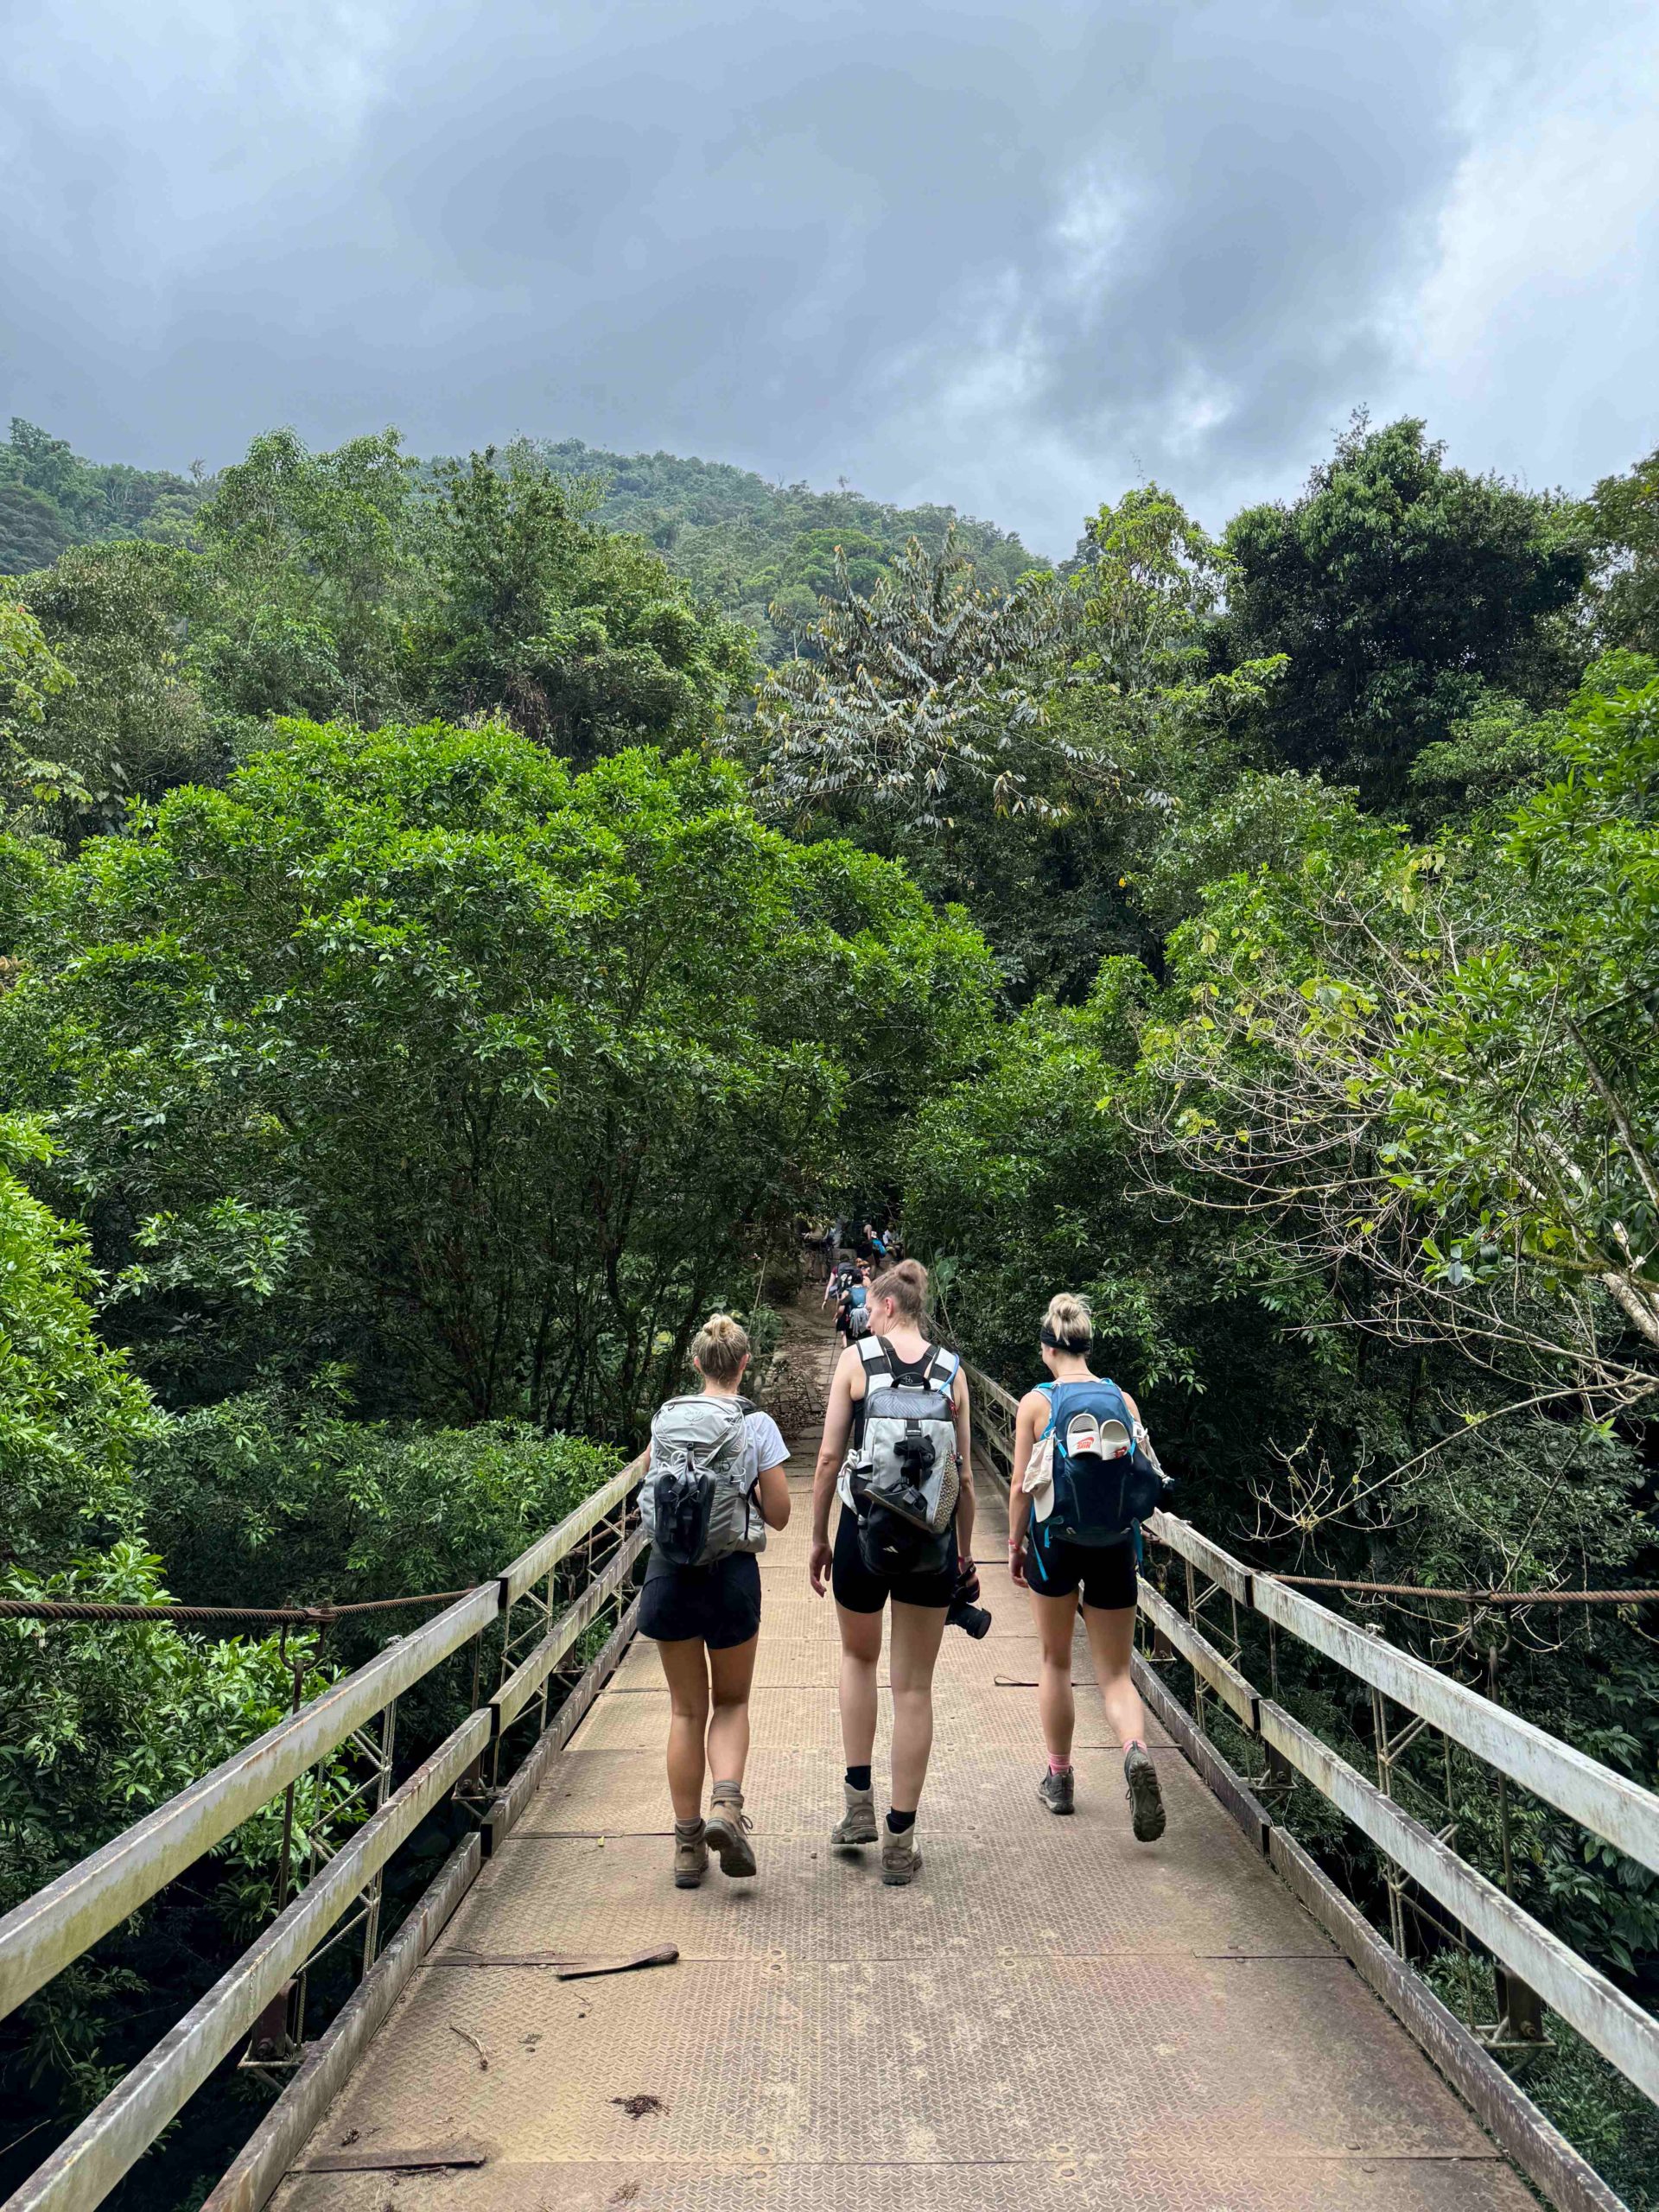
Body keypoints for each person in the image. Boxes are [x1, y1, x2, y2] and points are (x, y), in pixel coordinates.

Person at [809, 1259, 975, 1885]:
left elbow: (828, 1459)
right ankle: (901, 1842)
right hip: (930, 1542)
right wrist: (963, 1554)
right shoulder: (952, 1372)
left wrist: (820, 1537)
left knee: (858, 1661)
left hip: (863, 1533)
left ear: (884, 1307)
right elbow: (963, 1474)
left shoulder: (857, 1361)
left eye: (870, 1309)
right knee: (914, 1687)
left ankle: (858, 1812)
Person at [639, 1314, 792, 1887]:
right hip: (730, 1579)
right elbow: (779, 1515)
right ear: (744, 1364)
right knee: (730, 1703)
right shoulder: (756, 1425)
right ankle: (727, 1807)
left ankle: (686, 1847)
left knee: (684, 1710)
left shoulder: (667, 1418)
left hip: (668, 1577)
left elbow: (649, 1491)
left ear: (698, 1363)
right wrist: (748, 1485)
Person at [1007, 1293, 1166, 1840]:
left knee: (1054, 1661)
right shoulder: (1122, 1400)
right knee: (1115, 1673)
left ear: (1048, 1349)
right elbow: (1143, 1473)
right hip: (1116, 1543)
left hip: (1056, 1542)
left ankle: (1060, 1777)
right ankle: (1136, 1752)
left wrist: (1013, 1544)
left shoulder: (1037, 1404)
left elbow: (1021, 1485)